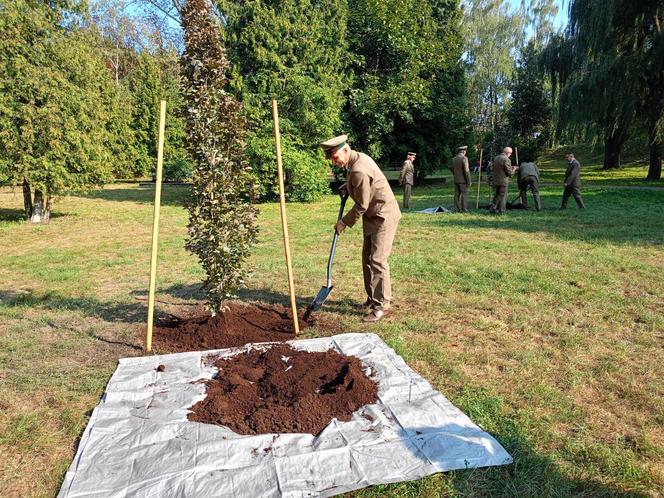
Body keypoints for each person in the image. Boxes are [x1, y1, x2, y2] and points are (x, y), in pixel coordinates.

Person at [319, 134, 401, 323]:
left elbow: (362, 205)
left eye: (335, 157)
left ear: (346, 150)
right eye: (331, 159)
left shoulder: (359, 170)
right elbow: (362, 183)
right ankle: (372, 299)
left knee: (378, 260)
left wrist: (343, 223)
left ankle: (382, 307)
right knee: (367, 258)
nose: (334, 162)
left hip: (383, 216)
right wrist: (348, 186)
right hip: (374, 216)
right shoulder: (356, 160)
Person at [490, 146, 516, 214]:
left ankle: (493, 208)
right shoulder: (506, 159)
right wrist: (514, 169)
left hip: (495, 180)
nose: (510, 155)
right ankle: (502, 210)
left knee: (496, 195)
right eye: (510, 153)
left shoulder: (496, 158)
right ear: (508, 153)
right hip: (503, 181)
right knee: (502, 196)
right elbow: (509, 173)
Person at [452, 145, 472, 212]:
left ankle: (456, 208)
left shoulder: (454, 159)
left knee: (456, 195)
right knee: (464, 194)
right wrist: (469, 181)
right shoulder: (464, 158)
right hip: (463, 181)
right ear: (463, 151)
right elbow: (466, 171)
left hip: (456, 180)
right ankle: (464, 209)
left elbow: (453, 170)